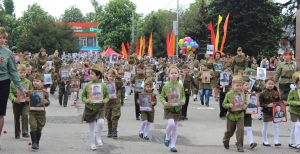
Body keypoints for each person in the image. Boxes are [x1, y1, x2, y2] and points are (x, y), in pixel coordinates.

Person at [0, 27, 27, 150]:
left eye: (3, 38)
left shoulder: (7, 53)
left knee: (0, 114)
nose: (1, 40)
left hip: (3, 84)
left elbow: (13, 72)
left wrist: (21, 87)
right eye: (0, 37)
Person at [81, 64, 109, 150]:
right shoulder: (87, 85)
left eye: (92, 74)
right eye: (90, 73)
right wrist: (86, 100)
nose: (90, 75)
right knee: (92, 126)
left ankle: (98, 137)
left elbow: (107, 96)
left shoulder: (103, 85)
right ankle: (92, 143)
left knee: (101, 122)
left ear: (98, 75)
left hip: (100, 107)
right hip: (90, 108)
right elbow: (82, 96)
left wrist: (105, 100)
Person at [160, 65, 185, 152]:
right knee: (171, 124)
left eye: (175, 73)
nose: (174, 75)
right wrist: (164, 102)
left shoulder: (180, 85)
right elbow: (162, 97)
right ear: (168, 75)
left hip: (178, 108)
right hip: (169, 108)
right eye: (172, 73)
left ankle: (173, 145)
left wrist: (183, 100)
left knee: (175, 127)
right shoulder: (166, 86)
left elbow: (183, 96)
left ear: (178, 74)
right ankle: (167, 136)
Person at [222, 75, 247, 152]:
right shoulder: (229, 94)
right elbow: (224, 104)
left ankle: (240, 146)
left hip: (240, 115)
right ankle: (225, 140)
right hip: (231, 115)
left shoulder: (243, 94)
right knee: (230, 131)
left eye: (240, 85)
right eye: (237, 85)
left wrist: (245, 106)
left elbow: (246, 103)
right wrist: (229, 105)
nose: (239, 87)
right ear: (232, 85)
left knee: (241, 130)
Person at [8, 64, 33, 139]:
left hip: (25, 102)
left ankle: (25, 132)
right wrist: (13, 99)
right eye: (21, 72)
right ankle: (17, 133)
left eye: (24, 72)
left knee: (25, 115)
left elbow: (31, 91)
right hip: (16, 102)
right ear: (17, 73)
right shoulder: (13, 82)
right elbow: (10, 92)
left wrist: (29, 97)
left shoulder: (28, 82)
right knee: (17, 118)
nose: (23, 74)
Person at [26, 73, 50, 150]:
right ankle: (34, 142)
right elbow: (28, 102)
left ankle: (37, 142)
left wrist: (46, 102)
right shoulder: (30, 92)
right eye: (34, 81)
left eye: (37, 81)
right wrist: (27, 100)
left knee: (39, 127)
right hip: (32, 112)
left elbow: (47, 103)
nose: (35, 82)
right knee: (33, 125)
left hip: (41, 113)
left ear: (42, 83)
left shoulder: (44, 93)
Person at [260, 77, 282, 147]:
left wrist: (282, 103)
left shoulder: (275, 92)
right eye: (269, 83)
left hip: (275, 111)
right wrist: (267, 105)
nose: (271, 85)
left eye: (272, 84)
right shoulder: (262, 93)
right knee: (265, 126)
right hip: (266, 111)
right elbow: (260, 103)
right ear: (265, 84)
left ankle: (276, 141)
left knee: (275, 126)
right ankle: (265, 141)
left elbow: (278, 100)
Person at [105, 69, 123, 138]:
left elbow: (121, 83)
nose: (111, 78)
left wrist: (117, 75)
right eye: (110, 76)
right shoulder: (105, 84)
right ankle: (110, 130)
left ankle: (114, 130)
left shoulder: (116, 83)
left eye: (113, 76)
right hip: (107, 103)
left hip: (116, 103)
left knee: (115, 117)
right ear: (107, 76)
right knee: (108, 117)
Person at [242, 76, 257, 149]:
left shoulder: (250, 94)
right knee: (239, 128)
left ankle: (251, 142)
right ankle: (237, 141)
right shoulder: (238, 94)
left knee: (249, 128)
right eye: (246, 85)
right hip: (240, 113)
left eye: (248, 85)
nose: (248, 86)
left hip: (248, 113)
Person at [287, 71, 300, 149]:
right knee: (298, 125)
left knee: (295, 127)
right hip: (294, 110)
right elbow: (289, 101)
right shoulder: (293, 90)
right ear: (297, 82)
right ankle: (298, 143)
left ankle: (291, 142)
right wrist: (296, 103)